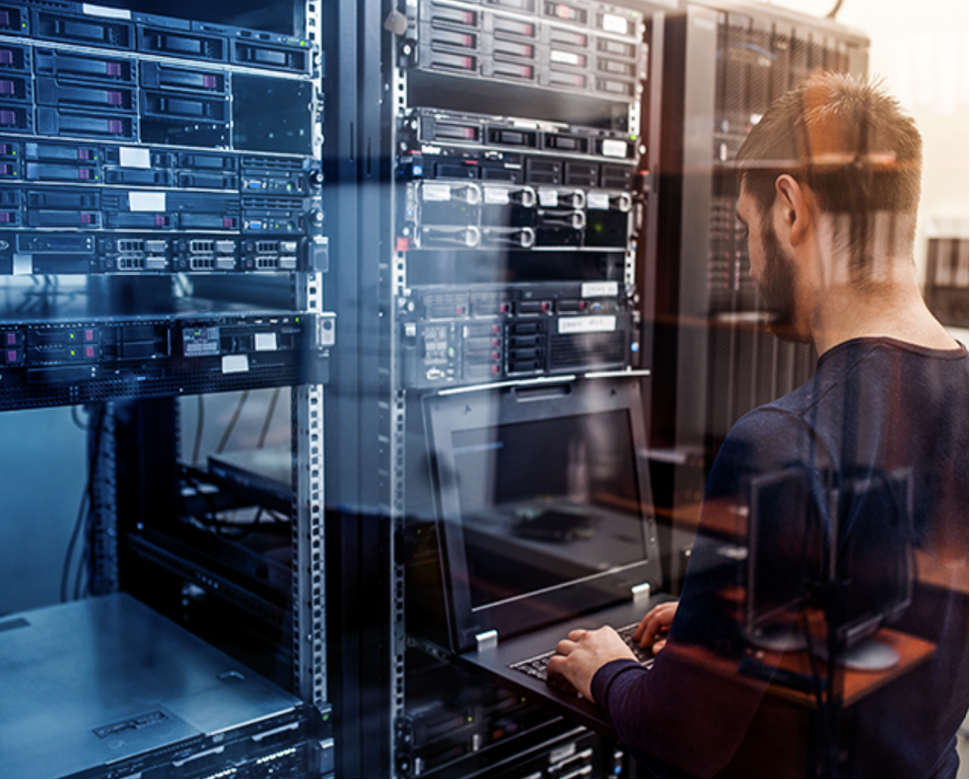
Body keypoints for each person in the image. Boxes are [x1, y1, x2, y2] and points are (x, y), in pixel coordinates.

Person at [547, 72, 969, 779]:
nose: (748, 263)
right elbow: (898, 614)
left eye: (746, 231)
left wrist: (610, 669)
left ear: (790, 209)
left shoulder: (779, 443)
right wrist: (718, 624)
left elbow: (684, 735)